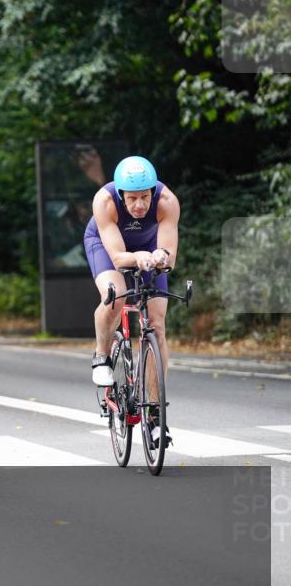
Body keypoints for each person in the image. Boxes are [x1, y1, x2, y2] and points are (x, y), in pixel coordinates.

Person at [83, 156, 180, 445]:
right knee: (115, 295)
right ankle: (102, 354)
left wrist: (162, 257)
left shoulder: (167, 202)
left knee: (158, 324)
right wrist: (138, 258)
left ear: (154, 192)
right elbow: (118, 257)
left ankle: (154, 417)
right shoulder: (105, 202)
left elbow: (168, 253)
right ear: (121, 195)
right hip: (107, 245)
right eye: (133, 199)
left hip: (149, 247)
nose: (140, 205)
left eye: (145, 197)